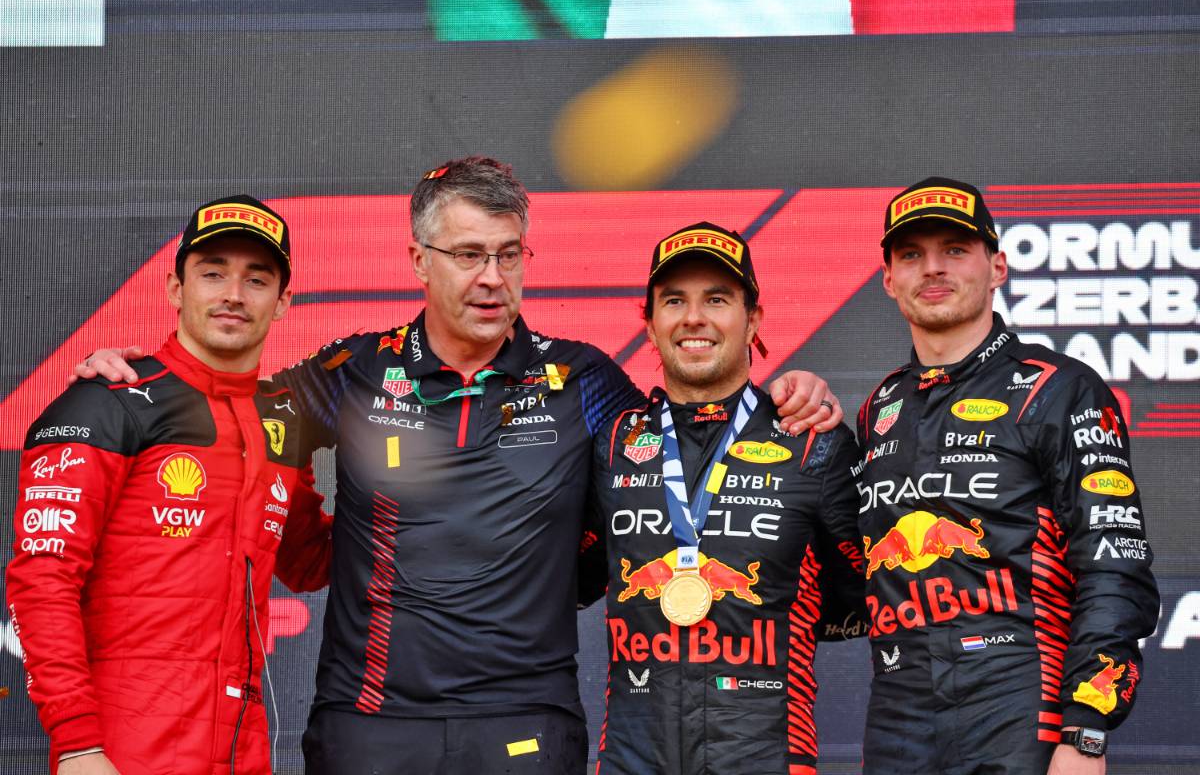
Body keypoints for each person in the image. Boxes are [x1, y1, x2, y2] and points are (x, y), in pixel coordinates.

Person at [74, 157, 844, 775]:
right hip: (370, 726)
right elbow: (236, 418)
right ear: (419, 259)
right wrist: (145, 380)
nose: (492, 278)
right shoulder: (357, 368)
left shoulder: (583, 379)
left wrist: (787, 397)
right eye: (470, 255)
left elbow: (681, 441)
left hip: (525, 727)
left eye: (509, 255)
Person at [6, 196, 332, 775]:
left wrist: (421, 499)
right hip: (123, 752)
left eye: (256, 279)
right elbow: (42, 581)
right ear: (175, 288)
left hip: (241, 750)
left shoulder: (282, 419)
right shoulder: (106, 400)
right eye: (212, 274)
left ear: (284, 301)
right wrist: (78, 743)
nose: (233, 293)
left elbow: (307, 563)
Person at [855, 177, 1158, 774]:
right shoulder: (877, 407)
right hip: (897, 714)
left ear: (997, 267)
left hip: (1020, 708)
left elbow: (1115, 564)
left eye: (955, 250)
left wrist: (1087, 730)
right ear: (889, 280)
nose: (933, 269)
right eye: (912, 255)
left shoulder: (1058, 388)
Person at [581, 222, 867, 774]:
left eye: (717, 299)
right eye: (673, 301)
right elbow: (574, 581)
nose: (694, 318)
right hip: (631, 759)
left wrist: (776, 623)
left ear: (753, 318)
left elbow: (869, 594)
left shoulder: (813, 441)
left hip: (769, 757)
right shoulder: (612, 444)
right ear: (649, 323)